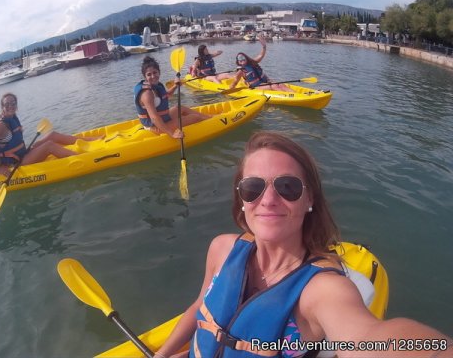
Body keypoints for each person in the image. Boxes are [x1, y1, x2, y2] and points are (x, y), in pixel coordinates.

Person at [154, 131, 452, 358]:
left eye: (287, 187)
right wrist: (161, 354)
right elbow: (198, 307)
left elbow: (370, 337)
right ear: (241, 198)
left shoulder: (320, 291)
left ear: (310, 199)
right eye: (253, 187)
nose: (268, 200)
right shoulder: (222, 248)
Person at [0, 93, 101, 178]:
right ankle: (85, 159)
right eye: (7, 104)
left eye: (13, 103)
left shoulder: (12, 117)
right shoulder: (0, 125)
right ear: (2, 107)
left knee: (52, 135)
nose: (11, 106)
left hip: (23, 153)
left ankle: (90, 140)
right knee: (49, 145)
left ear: (16, 104)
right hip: (17, 162)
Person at [134, 56, 211, 139]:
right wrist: (172, 134)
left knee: (180, 108)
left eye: (155, 72)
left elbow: (166, 96)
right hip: (156, 127)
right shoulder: (147, 93)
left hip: (162, 120)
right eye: (149, 74)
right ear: (145, 77)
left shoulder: (156, 85)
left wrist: (175, 86)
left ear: (159, 72)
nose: (153, 76)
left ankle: (209, 117)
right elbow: (154, 118)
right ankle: (211, 120)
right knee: (195, 118)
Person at [229, 34, 295, 92]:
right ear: (238, 62)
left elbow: (261, 55)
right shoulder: (241, 71)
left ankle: (294, 94)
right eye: (240, 61)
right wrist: (230, 89)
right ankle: (288, 96)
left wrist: (264, 47)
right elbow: (235, 82)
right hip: (256, 87)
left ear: (246, 59)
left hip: (265, 82)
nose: (242, 62)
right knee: (274, 86)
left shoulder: (253, 62)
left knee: (280, 84)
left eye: (243, 60)